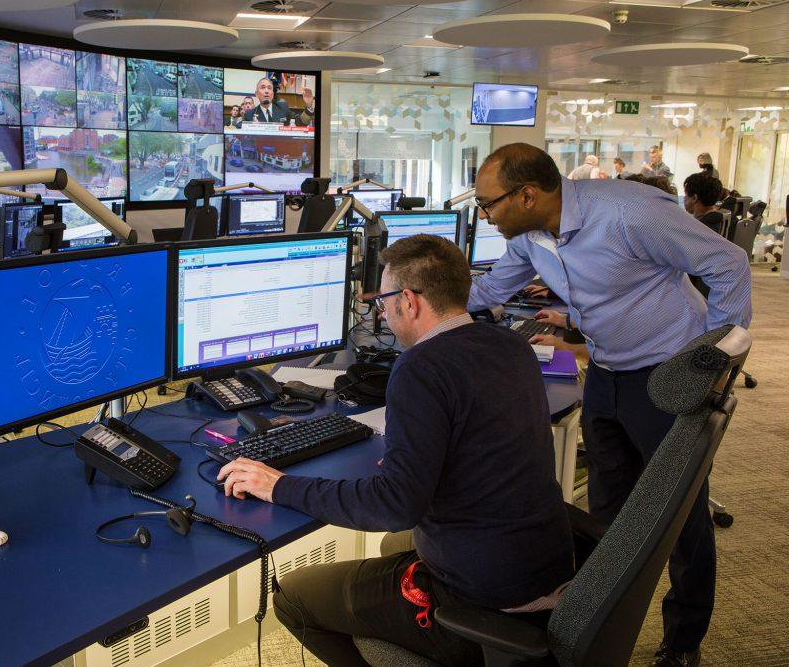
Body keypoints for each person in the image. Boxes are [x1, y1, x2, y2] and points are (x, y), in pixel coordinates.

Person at [218, 234, 575, 665]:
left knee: (295, 597)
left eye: (385, 301)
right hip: (545, 564)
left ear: (408, 300)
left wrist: (279, 485)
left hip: (483, 595)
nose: (383, 314)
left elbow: (393, 506)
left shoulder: (420, 368)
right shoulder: (511, 345)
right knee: (395, 546)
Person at [467, 143, 752, 667]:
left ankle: (683, 643)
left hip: (670, 376)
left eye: (488, 204)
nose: (484, 215)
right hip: (605, 373)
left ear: (527, 195)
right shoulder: (531, 237)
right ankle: (593, 629)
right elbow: (488, 289)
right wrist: (411, 300)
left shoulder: (629, 211)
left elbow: (729, 262)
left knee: (678, 520)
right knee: (607, 512)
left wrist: (712, 360)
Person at [242, 75, 314, 126]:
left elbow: (301, 123)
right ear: (257, 94)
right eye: (263, 87)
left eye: (269, 88)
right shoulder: (249, 115)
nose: (266, 91)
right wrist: (252, 128)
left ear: (272, 94)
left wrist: (309, 105)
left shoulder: (283, 107)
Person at [683, 172, 727, 236]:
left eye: (685, 194)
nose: (684, 198)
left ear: (694, 198)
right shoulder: (718, 221)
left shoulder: (697, 229)